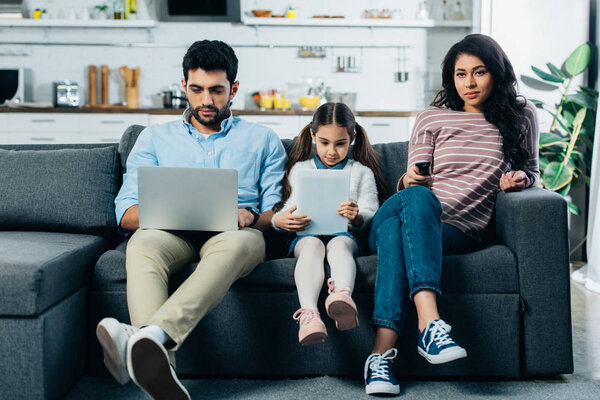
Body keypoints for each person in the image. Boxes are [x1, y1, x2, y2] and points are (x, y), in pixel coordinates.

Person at [95, 40, 287, 400]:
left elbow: (275, 214)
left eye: (217, 90)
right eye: (196, 90)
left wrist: (250, 217)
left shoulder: (263, 140)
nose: (206, 101)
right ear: (184, 85)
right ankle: (160, 364)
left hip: (236, 234)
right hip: (170, 233)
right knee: (143, 243)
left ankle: (146, 337)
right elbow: (126, 214)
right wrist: (179, 213)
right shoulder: (153, 138)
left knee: (235, 244)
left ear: (234, 88)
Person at [363, 33, 540, 396]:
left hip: (456, 231)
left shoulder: (521, 116)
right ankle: (430, 324)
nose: (469, 83)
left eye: (479, 72)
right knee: (417, 200)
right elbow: (414, 178)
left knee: (399, 232)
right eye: (461, 74)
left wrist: (521, 178)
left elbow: (536, 171)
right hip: (406, 209)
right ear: (451, 78)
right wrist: (410, 177)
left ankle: (380, 359)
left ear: (498, 73)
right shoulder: (432, 117)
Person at [272, 102, 388, 346]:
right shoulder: (299, 169)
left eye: (340, 143)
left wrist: (357, 216)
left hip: (345, 235)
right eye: (324, 142)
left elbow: (371, 212)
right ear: (313, 135)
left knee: (339, 245)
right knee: (312, 246)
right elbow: (286, 208)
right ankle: (310, 315)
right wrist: (280, 220)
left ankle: (342, 296)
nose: (331, 151)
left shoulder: (361, 172)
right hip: (306, 236)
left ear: (352, 138)